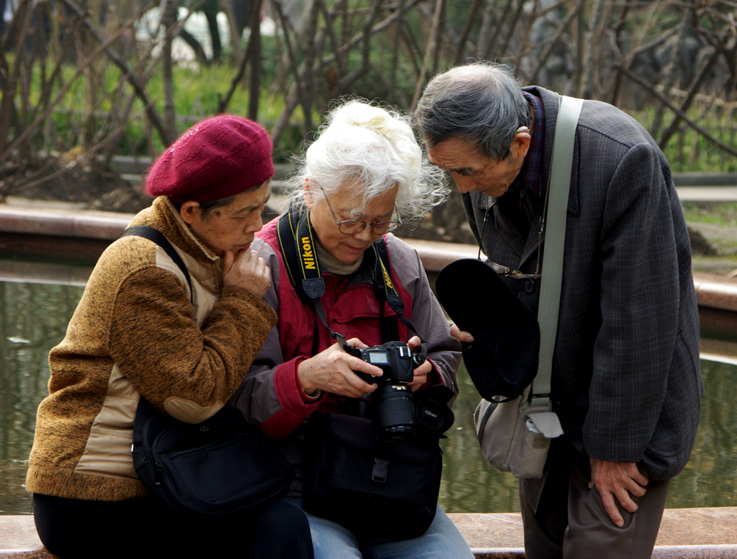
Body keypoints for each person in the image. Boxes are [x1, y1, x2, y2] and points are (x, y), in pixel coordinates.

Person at [415, 61, 703, 559]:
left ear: (520, 143)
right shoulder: (484, 158)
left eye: (467, 172)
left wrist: (614, 452)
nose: (461, 189)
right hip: (546, 410)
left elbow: (639, 323)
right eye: (448, 171)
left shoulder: (620, 158)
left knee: (597, 547)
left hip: (625, 419)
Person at [26, 115, 313, 559]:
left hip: (167, 471)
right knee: (276, 531)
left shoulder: (203, 247)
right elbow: (192, 398)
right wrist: (242, 303)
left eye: (262, 206)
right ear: (191, 211)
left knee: (281, 517)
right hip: (93, 496)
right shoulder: (143, 268)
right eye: (243, 213)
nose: (257, 225)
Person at [232, 100, 474, 559]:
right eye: (349, 218)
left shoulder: (397, 259)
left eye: (379, 220)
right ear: (309, 189)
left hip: (391, 475)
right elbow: (235, 396)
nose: (363, 235)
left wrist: (427, 375)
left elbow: (444, 352)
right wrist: (307, 378)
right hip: (292, 482)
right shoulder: (260, 266)